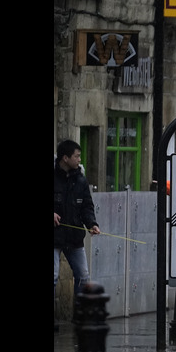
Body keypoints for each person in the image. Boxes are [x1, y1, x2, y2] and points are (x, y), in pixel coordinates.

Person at [54, 140, 101, 331]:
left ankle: (81, 317)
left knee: (83, 275)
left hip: (74, 236)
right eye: (76, 156)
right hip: (55, 237)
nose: (79, 159)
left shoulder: (81, 180)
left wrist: (92, 224)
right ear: (65, 158)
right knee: (53, 276)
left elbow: (87, 207)